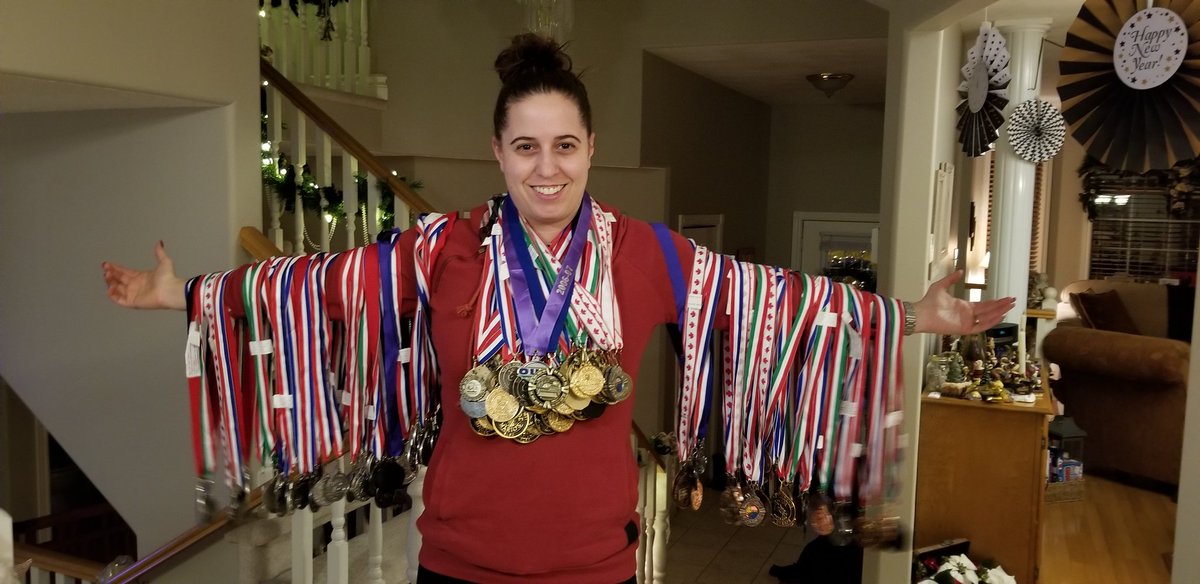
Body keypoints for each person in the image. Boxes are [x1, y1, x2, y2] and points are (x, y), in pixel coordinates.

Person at [103, 33, 1014, 583]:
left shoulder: (643, 252)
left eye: (565, 145)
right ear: (498, 152)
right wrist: (181, 293)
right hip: (457, 565)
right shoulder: (441, 248)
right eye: (528, 147)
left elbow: (767, 299)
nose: (548, 168)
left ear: (590, 149)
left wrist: (911, 315)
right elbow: (322, 284)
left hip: (592, 569)